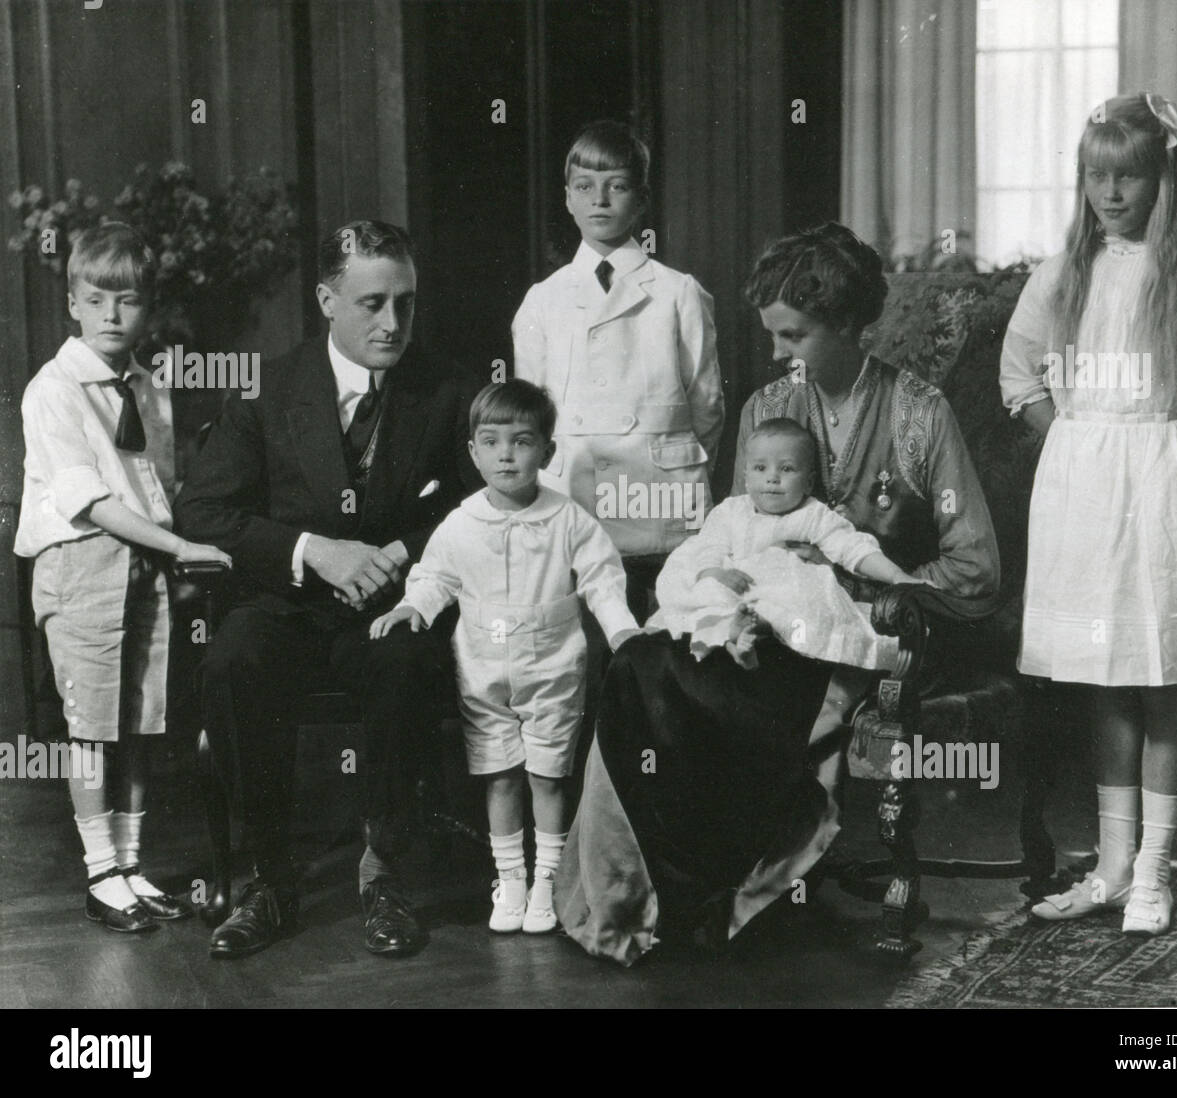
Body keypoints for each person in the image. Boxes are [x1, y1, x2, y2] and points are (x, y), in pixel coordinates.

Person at [555, 223, 1000, 965]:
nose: (775, 354)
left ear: (851, 325)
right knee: (640, 669)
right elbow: (731, 539)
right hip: (757, 631)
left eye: (792, 336)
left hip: (851, 640)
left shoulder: (919, 414)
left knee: (696, 692)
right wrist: (738, 588)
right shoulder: (765, 409)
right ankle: (650, 897)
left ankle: (728, 897)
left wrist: (847, 584)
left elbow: (976, 569)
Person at [1002, 94, 1177, 937]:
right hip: (1087, 493)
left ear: (1163, 179)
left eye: (1130, 175)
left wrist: (1159, 451)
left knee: (1165, 676)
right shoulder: (1062, 276)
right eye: (1098, 175)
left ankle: (1155, 868)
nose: (1112, 192)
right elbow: (1021, 377)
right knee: (1109, 677)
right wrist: (1082, 444)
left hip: (1165, 485)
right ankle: (1114, 864)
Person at [175, 219, 479, 958]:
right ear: (326, 300)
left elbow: (479, 504)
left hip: (384, 612)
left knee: (409, 661)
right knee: (233, 659)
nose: (394, 323)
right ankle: (270, 878)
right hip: (285, 603)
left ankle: (384, 872)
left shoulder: (445, 392)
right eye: (372, 303)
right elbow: (203, 510)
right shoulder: (267, 389)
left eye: (405, 302)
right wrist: (316, 551)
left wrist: (403, 550)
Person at [16, 222, 231, 933]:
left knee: (141, 721)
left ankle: (133, 864)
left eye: (129, 301)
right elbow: (92, 500)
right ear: (72, 303)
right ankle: (100, 870)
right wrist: (177, 545)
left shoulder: (146, 385)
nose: (113, 315)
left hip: (144, 563)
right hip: (81, 565)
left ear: (148, 308)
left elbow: (154, 484)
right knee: (91, 729)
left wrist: (177, 552)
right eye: (97, 298)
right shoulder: (53, 389)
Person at [370, 380, 639, 934]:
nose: (506, 454)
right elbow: (435, 575)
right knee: (499, 775)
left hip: (554, 668)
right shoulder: (462, 521)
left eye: (521, 441)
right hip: (483, 668)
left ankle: (548, 882)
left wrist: (624, 634)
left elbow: (603, 582)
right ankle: (510, 879)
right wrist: (412, 606)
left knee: (546, 775)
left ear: (547, 451)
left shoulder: (569, 521)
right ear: (473, 452)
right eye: (491, 442)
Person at [511, 119, 724, 617]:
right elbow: (529, 412)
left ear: (642, 199)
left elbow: (707, 404)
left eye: (617, 187)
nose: (599, 200)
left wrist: (675, 467)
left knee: (665, 632)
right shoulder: (543, 301)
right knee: (582, 636)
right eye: (585, 187)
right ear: (567, 199)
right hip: (573, 493)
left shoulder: (678, 292)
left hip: (658, 495)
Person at [647, 417, 922, 669]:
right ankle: (734, 638)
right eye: (760, 468)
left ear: (808, 481)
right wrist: (713, 572)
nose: (772, 477)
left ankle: (754, 629)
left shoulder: (811, 514)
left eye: (787, 468)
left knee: (806, 599)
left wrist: (896, 575)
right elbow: (710, 545)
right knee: (702, 584)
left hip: (781, 590)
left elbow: (852, 547)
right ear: (745, 477)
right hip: (734, 583)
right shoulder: (731, 511)